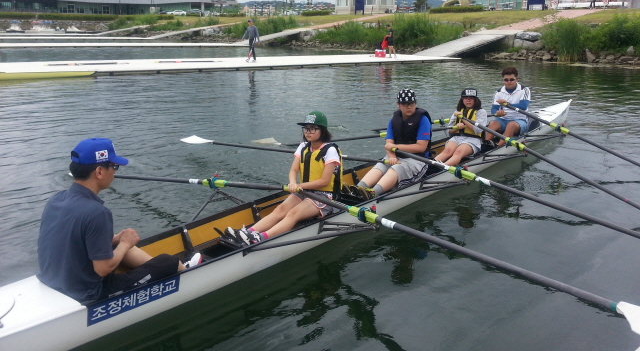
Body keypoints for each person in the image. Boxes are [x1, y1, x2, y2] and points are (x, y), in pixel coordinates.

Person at [37, 138, 201, 303]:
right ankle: (191, 275)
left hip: (53, 281)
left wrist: (116, 241)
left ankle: (162, 268)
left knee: (117, 243)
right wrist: (125, 243)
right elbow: (102, 269)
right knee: (167, 261)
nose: (115, 172)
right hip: (89, 294)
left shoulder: (56, 199)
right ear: (99, 172)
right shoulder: (97, 212)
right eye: (114, 166)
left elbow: (72, 238)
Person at [226, 111, 342, 246]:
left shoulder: (330, 151)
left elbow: (324, 181)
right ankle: (246, 232)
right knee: (280, 210)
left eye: (312, 129)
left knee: (293, 213)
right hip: (305, 191)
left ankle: (261, 238)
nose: (308, 132)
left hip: (324, 196)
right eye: (306, 128)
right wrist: (293, 182)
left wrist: (300, 186)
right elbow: (293, 170)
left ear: (322, 130)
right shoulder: (303, 146)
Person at [356, 88, 431, 196]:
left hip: (418, 160)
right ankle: (359, 189)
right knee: (381, 165)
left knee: (396, 168)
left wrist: (395, 147)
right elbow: (388, 145)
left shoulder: (423, 120)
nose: (409, 106)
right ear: (398, 105)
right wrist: (391, 156)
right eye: (405, 104)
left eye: (412, 103)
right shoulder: (394, 120)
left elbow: (421, 147)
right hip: (397, 155)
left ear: (415, 103)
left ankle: (372, 194)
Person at [435, 88, 487, 166]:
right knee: (447, 151)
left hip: (473, 140)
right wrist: (456, 127)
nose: (468, 100)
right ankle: (430, 167)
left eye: (471, 98)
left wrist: (463, 119)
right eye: (466, 98)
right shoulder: (457, 112)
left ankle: (442, 169)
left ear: (475, 100)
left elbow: (478, 130)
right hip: (456, 138)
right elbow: (449, 131)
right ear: (462, 99)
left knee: (458, 152)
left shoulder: (481, 112)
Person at [487, 67, 531, 146]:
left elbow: (524, 106)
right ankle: (485, 144)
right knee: (493, 123)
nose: (509, 82)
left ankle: (497, 148)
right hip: (503, 120)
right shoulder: (498, 92)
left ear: (516, 79)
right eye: (506, 80)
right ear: (503, 80)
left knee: (511, 125)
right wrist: (497, 113)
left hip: (519, 120)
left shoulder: (524, 90)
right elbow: (494, 109)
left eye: (512, 79)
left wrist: (506, 104)